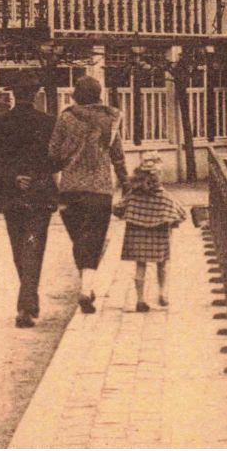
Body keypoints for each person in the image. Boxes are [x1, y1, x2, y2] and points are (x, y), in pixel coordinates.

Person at [0, 74, 57, 328]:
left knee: (18, 250)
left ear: (13, 95)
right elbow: (57, 159)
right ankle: (27, 305)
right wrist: (35, 177)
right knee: (34, 247)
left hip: (11, 196)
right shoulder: (49, 124)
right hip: (40, 196)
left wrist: (14, 178)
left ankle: (27, 303)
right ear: (35, 95)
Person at [47, 75, 128, 314]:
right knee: (93, 241)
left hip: (70, 191)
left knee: (79, 241)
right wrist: (125, 182)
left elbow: (54, 153)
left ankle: (86, 287)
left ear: (76, 95)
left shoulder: (66, 118)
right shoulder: (110, 119)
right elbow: (118, 155)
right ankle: (86, 288)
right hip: (100, 191)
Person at [115, 153, 186, 312]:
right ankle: (162, 294)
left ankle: (140, 299)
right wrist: (172, 223)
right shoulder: (165, 196)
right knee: (162, 264)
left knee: (140, 265)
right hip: (159, 234)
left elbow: (118, 208)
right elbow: (181, 214)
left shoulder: (133, 195)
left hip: (136, 233)